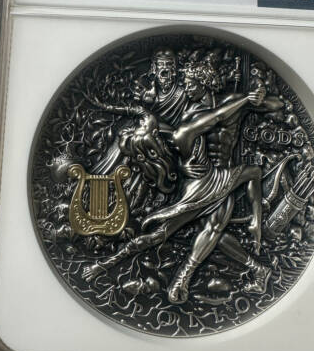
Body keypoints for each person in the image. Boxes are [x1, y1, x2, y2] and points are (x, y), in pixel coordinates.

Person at [83, 61, 283, 304]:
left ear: (204, 83)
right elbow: (182, 137)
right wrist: (180, 166)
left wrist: (258, 97)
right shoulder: (191, 112)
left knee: (213, 230)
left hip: (223, 176)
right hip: (198, 180)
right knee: (177, 232)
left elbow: (277, 104)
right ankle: (256, 269)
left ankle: (182, 279)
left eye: (189, 84)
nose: (186, 89)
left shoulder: (232, 99)